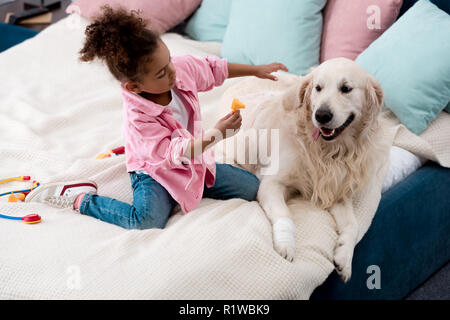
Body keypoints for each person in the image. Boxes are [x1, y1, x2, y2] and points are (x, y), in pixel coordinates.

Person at [25, 6, 289, 230]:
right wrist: (216, 134)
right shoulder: (139, 120)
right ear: (134, 87)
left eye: (169, 62)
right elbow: (173, 153)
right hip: (155, 171)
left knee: (252, 187)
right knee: (146, 221)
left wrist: (256, 70)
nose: (172, 73)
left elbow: (212, 68)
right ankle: (80, 199)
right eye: (161, 73)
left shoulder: (178, 69)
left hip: (192, 161)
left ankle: (188, 188)